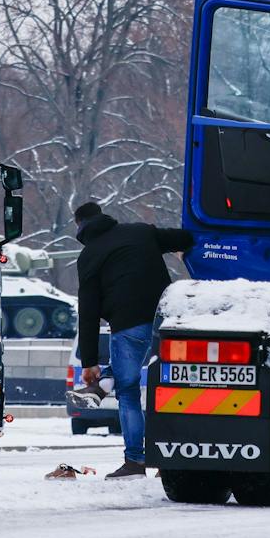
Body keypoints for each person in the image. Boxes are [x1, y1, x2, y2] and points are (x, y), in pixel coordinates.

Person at [73, 201, 194, 478]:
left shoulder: (90, 255)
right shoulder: (141, 231)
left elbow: (88, 312)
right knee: (169, 389)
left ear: (79, 225)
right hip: (167, 318)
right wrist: (184, 251)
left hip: (129, 324)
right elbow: (185, 237)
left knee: (127, 392)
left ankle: (135, 461)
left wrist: (89, 361)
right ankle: (169, 459)